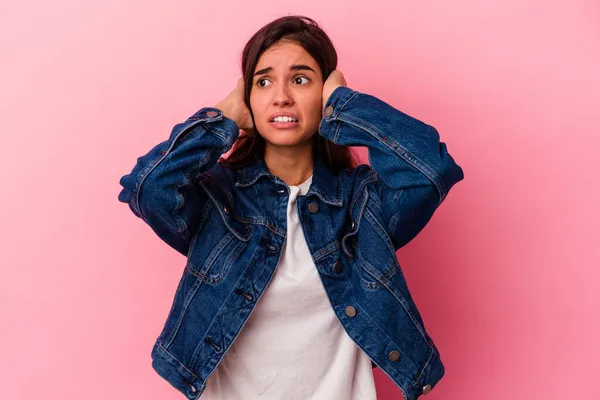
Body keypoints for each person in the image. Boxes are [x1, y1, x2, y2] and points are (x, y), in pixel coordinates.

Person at [118, 15, 464, 400]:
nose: (281, 96)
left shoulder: (362, 202)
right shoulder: (219, 196)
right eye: (263, 82)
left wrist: (344, 108)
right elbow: (149, 189)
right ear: (247, 98)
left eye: (300, 79)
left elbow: (431, 171)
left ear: (325, 92)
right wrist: (222, 120)